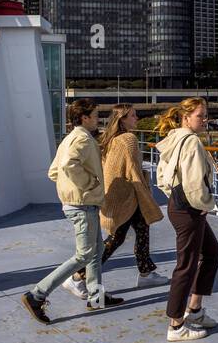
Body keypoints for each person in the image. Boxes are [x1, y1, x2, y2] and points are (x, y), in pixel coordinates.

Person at [21, 98, 124, 324]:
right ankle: (36, 295)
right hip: (82, 204)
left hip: (80, 202)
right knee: (85, 254)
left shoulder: (69, 138)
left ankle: (96, 298)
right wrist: (90, 185)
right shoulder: (82, 138)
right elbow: (68, 165)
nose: (98, 119)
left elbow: (54, 172)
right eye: (96, 115)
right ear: (84, 117)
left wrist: (71, 188)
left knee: (95, 252)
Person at [67, 104, 165, 296]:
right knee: (116, 239)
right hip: (126, 197)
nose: (136, 118)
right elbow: (133, 171)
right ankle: (78, 277)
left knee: (142, 227)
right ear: (122, 119)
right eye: (133, 116)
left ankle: (146, 272)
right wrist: (146, 191)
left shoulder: (109, 139)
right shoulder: (128, 139)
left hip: (115, 194)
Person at [155, 98, 218, 341]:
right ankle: (175, 325)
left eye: (206, 116)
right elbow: (195, 184)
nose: (204, 120)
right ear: (186, 118)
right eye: (200, 116)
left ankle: (194, 310)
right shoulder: (191, 142)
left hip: (179, 205)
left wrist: (173, 195)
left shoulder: (174, 138)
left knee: (212, 253)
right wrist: (205, 206)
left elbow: (161, 174)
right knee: (186, 265)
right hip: (191, 209)